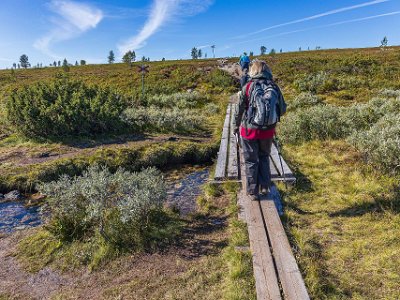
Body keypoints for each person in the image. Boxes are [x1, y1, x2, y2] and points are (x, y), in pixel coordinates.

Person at [234, 60, 286, 200]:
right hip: (267, 131)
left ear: (253, 71)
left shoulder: (248, 86)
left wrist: (235, 127)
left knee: (251, 160)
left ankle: (253, 192)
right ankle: (265, 187)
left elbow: (239, 110)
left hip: (249, 130)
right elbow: (283, 109)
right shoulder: (273, 86)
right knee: (264, 157)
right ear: (267, 70)